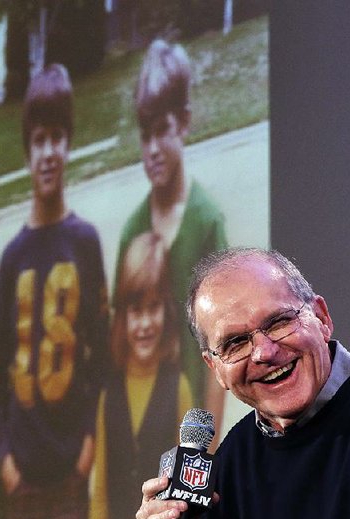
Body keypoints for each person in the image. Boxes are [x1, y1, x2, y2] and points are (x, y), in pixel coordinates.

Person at [135, 248, 350, 519]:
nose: (264, 352)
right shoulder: (233, 457)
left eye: (279, 322)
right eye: (235, 343)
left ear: (321, 318)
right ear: (215, 368)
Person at [0, 63, 109, 519]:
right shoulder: (13, 256)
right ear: (27, 153)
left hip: (68, 471)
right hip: (23, 469)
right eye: (39, 140)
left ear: (69, 145)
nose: (49, 152)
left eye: (58, 138)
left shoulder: (84, 241)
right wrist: (5, 458)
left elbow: (100, 356)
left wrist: (87, 444)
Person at [114, 38, 228, 424]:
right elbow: (120, 341)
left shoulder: (207, 222)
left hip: (192, 424)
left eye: (162, 130)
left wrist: (209, 450)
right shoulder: (132, 228)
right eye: (145, 135)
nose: (153, 148)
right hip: (141, 424)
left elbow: (222, 345)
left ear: (184, 122)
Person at [88, 232, 194, 519]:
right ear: (122, 318)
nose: (145, 323)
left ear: (167, 313)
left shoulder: (179, 388)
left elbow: (188, 490)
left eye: (153, 308)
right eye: (136, 311)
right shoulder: (109, 394)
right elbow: (100, 496)